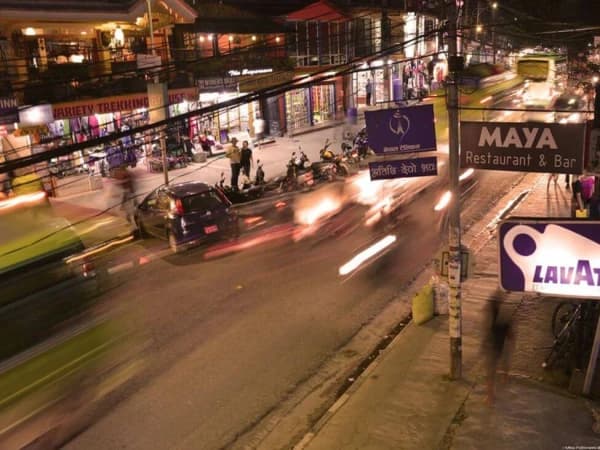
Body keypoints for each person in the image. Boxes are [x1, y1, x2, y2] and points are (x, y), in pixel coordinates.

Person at [483, 290, 513, 406]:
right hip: (498, 342)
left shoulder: (499, 314)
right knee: (500, 362)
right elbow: (510, 335)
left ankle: (490, 396)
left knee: (491, 370)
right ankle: (504, 377)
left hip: (494, 343)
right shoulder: (505, 315)